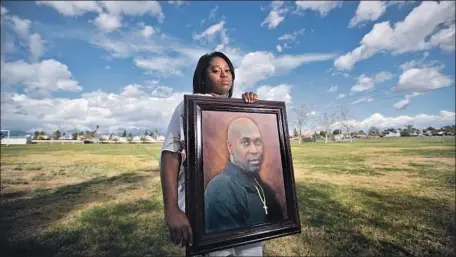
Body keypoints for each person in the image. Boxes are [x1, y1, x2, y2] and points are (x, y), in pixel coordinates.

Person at [160, 51, 263, 256]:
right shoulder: (189, 106)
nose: (224, 75)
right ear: (203, 77)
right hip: (200, 203)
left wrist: (252, 107)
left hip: (244, 208)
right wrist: (171, 209)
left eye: (228, 71)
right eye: (215, 71)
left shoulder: (238, 108)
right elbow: (170, 155)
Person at [205, 117, 284, 234]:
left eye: (257, 142)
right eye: (246, 142)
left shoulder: (261, 186)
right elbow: (224, 248)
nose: (254, 150)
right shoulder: (221, 188)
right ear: (230, 147)